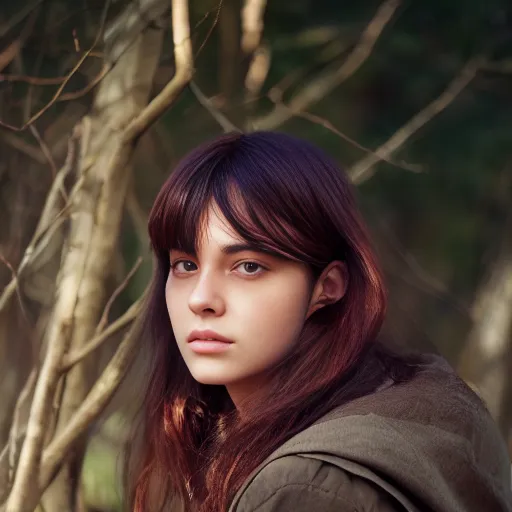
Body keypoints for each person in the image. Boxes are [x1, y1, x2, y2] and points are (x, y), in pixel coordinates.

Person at [125, 131, 512, 512]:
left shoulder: (309, 489)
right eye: (186, 265)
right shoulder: (411, 397)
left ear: (326, 287)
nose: (200, 299)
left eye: (248, 266)